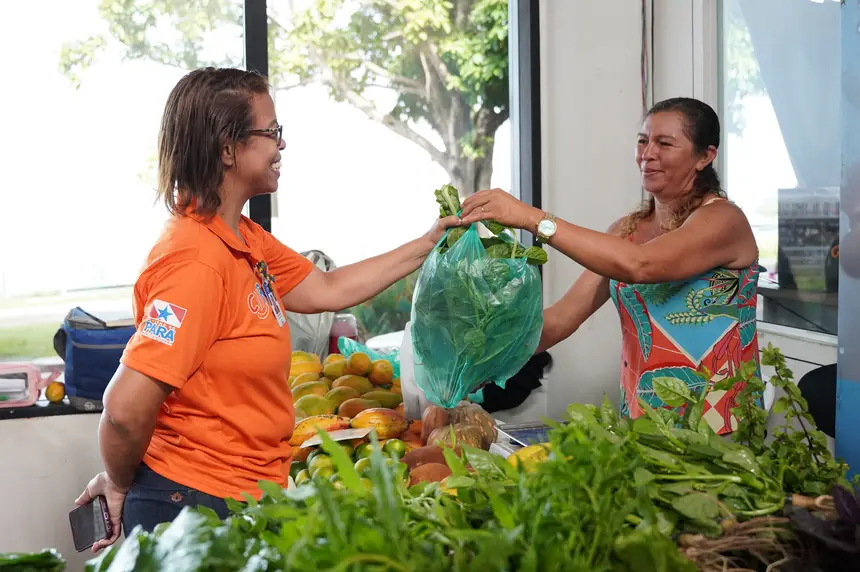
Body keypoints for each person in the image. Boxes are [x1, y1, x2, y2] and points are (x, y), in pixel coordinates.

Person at [75, 67, 461, 551]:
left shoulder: (245, 239)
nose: (282, 146)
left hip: (242, 497)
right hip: (191, 507)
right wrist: (117, 482)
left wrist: (428, 243)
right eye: (271, 132)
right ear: (227, 147)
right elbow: (124, 410)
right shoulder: (196, 262)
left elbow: (327, 287)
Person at [460, 97, 762, 434]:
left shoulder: (724, 220)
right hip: (643, 422)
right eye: (643, 141)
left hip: (719, 425)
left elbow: (641, 265)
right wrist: (487, 357)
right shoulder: (627, 231)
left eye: (665, 143)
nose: (648, 153)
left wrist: (531, 219)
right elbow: (561, 319)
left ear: (705, 156)